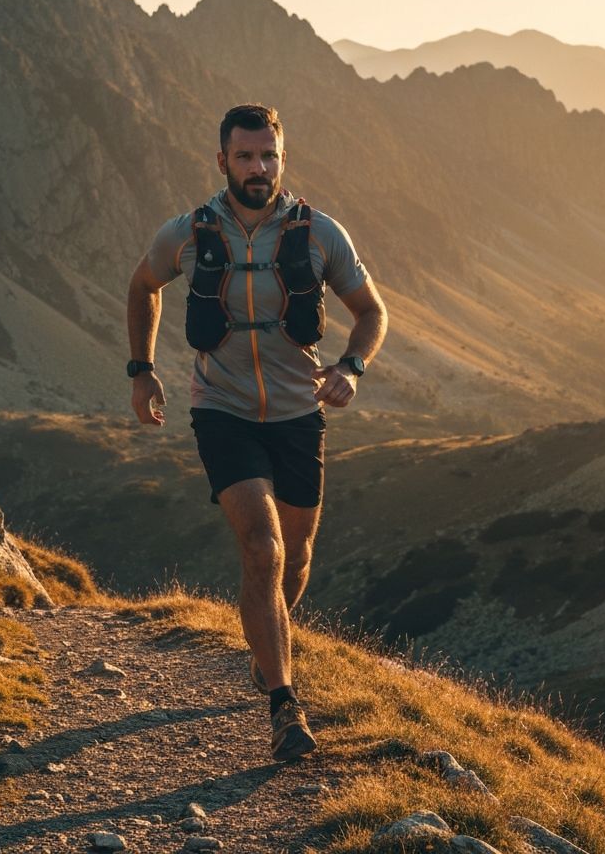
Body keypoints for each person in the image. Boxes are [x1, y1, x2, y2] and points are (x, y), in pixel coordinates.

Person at [126, 104, 387, 760]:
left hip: (301, 413)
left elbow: (370, 311)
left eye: (268, 155)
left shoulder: (319, 233)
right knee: (263, 550)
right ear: (222, 162)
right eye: (244, 157)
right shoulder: (187, 234)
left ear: (282, 158)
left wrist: (352, 367)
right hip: (224, 411)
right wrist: (142, 370)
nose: (257, 168)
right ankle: (284, 706)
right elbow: (143, 286)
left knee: (295, 559)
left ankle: (268, 644)